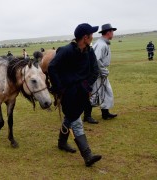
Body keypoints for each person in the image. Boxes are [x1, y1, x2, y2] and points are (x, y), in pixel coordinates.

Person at [48, 23, 101, 167]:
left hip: (82, 92)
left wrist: (86, 85)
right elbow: (52, 68)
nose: (92, 37)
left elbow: (95, 71)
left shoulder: (89, 52)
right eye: (91, 34)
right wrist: (60, 88)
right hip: (68, 93)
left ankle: (61, 142)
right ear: (85, 37)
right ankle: (87, 155)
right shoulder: (66, 51)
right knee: (76, 121)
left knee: (70, 117)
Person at [86, 24, 117, 121]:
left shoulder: (102, 43)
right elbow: (96, 59)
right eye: (112, 31)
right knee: (93, 93)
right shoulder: (101, 45)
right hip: (97, 73)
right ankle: (87, 116)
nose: (113, 33)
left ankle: (105, 113)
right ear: (108, 32)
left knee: (105, 92)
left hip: (100, 72)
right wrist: (103, 71)